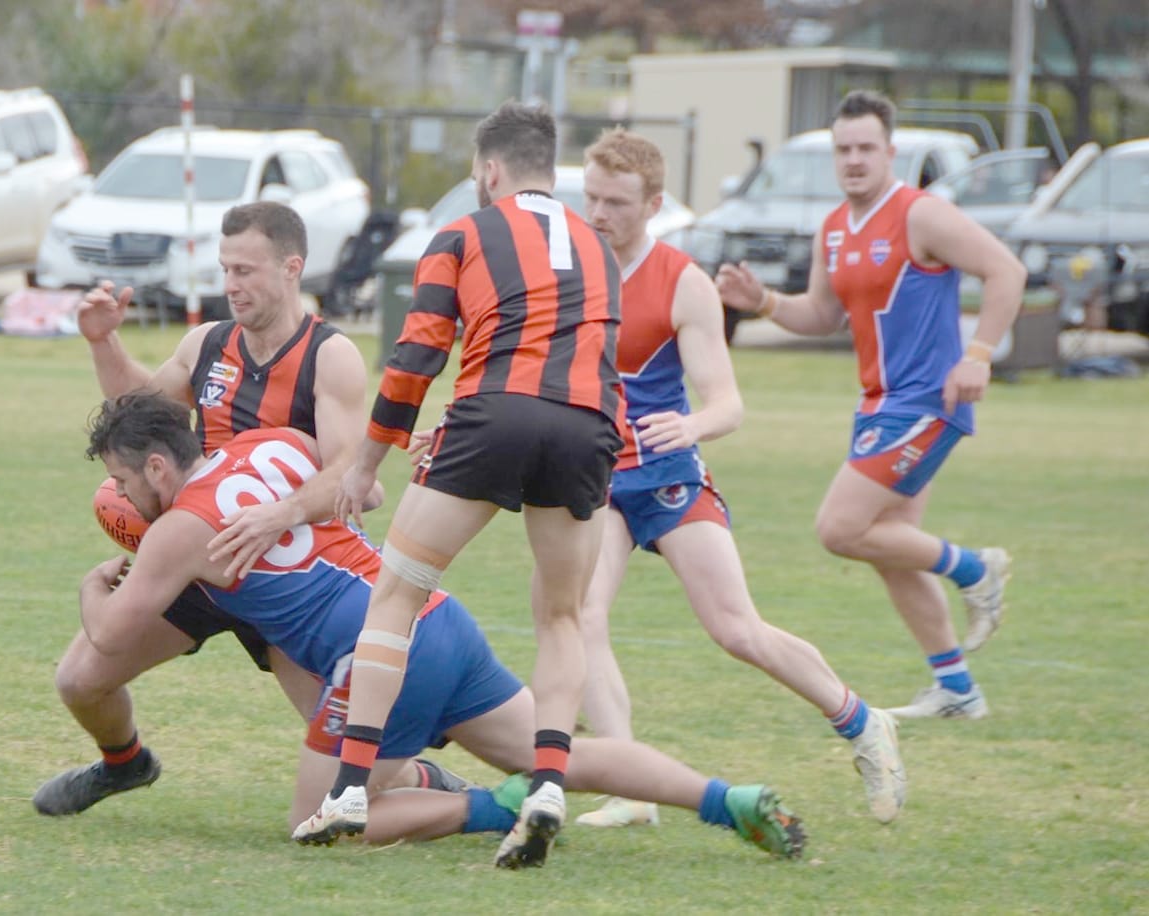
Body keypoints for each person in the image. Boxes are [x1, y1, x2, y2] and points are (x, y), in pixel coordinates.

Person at [71, 391, 806, 863]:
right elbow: (352, 480)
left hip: (381, 657)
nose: (127, 500)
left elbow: (108, 641)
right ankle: (728, 800)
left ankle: (495, 808)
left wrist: (93, 583)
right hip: (431, 613)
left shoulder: (175, 531)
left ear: (160, 468)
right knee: (563, 754)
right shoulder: (271, 444)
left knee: (315, 820)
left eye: (126, 482)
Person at [35, 202, 453, 818]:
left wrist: (279, 513)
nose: (232, 285)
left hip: (290, 573)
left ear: (291, 268)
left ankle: (423, 775)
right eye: (226, 269)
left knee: (350, 755)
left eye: (247, 271)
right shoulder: (207, 343)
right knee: (79, 681)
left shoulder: (327, 356)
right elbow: (141, 417)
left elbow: (351, 475)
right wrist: (103, 341)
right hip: (201, 559)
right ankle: (125, 763)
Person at [301, 100, 625, 867]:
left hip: (494, 415)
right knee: (562, 616)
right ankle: (547, 782)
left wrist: (368, 461)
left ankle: (350, 786)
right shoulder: (600, 246)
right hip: (586, 425)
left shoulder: (463, 233)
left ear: (488, 171)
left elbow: (417, 357)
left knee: (398, 593)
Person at [566, 127, 905, 828]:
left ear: (653, 203)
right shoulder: (571, 269)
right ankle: (631, 784)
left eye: (616, 202)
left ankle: (862, 721)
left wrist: (689, 426)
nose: (598, 213)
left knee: (735, 629)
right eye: (590, 197)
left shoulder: (681, 281)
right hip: (600, 478)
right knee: (582, 615)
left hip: (666, 477)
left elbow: (727, 403)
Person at [716, 90, 1023, 720]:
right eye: (843, 149)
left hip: (927, 402)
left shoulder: (921, 214)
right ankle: (957, 690)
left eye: (866, 148)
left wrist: (981, 352)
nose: (854, 160)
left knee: (841, 528)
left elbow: (1006, 271)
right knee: (888, 547)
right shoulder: (834, 228)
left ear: (890, 153)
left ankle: (975, 569)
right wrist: (764, 301)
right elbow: (822, 314)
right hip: (876, 407)